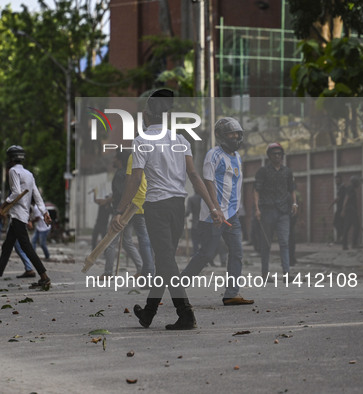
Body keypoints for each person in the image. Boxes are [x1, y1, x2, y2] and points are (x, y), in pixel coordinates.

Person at [111, 88, 223, 330]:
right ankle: (149, 313)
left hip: (157, 207)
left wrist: (119, 210)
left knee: (165, 260)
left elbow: (135, 178)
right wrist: (212, 206)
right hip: (177, 207)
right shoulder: (181, 139)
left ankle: (186, 313)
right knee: (165, 261)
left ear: (145, 116)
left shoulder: (141, 141)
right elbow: (193, 175)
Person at [181, 117, 254, 305]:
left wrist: (235, 210)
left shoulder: (237, 157)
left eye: (238, 133)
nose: (235, 136)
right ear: (221, 136)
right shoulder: (213, 155)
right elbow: (208, 182)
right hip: (213, 215)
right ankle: (178, 287)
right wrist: (215, 208)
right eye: (231, 133)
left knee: (237, 252)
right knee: (206, 253)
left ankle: (231, 293)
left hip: (232, 215)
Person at [0, 145, 52, 290]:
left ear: (10, 159)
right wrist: (44, 212)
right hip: (20, 215)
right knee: (7, 247)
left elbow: (16, 192)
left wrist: (2, 207)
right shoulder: (28, 174)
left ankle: (44, 277)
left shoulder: (13, 171)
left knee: (26, 247)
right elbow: (36, 195)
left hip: (18, 216)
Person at [254, 143, 297, 279]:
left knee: (284, 242)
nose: (277, 156)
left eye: (279, 154)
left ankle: (286, 273)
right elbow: (256, 190)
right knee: (266, 243)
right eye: (274, 154)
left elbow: (292, 189)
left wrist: (295, 203)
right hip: (267, 210)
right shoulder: (263, 171)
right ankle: (265, 273)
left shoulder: (287, 172)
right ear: (269, 156)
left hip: (284, 211)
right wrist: (257, 209)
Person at [101, 151, 144, 278]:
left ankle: (108, 272)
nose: (113, 160)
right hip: (129, 211)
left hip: (122, 213)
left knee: (111, 240)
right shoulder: (126, 173)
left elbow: (121, 193)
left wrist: (118, 211)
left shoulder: (120, 174)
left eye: (114, 157)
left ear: (119, 160)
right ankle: (141, 268)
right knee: (127, 242)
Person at [341, 175, 363, 250]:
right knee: (357, 226)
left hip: (349, 210)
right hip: (351, 210)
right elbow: (346, 198)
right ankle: (354, 244)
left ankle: (344, 245)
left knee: (347, 227)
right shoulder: (351, 188)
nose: (359, 184)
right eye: (358, 183)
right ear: (355, 183)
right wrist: (343, 209)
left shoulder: (350, 188)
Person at [329, 174, 347, 243]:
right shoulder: (339, 187)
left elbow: (338, 198)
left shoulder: (342, 188)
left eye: (337, 179)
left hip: (341, 209)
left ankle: (342, 238)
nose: (336, 181)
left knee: (336, 223)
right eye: (335, 179)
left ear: (340, 179)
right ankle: (340, 238)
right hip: (340, 208)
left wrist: (331, 205)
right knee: (339, 224)